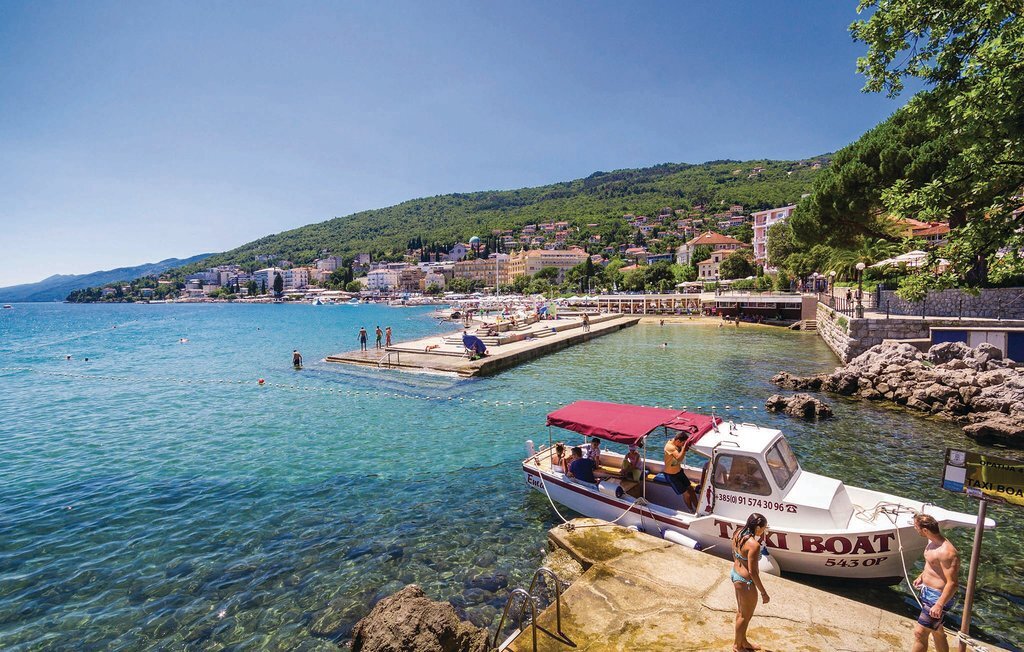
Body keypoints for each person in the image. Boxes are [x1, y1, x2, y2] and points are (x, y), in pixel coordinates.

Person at [911, 513, 960, 652]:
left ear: (925, 530)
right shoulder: (931, 542)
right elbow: (933, 565)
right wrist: (922, 576)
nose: (915, 529)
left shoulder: (947, 552)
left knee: (920, 633)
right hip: (927, 592)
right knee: (937, 631)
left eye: (916, 527)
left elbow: (953, 583)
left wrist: (939, 604)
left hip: (937, 597)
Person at [732, 512, 770, 652]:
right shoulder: (754, 545)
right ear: (758, 527)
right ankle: (737, 646)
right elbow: (753, 572)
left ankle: (743, 641)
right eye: (764, 528)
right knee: (745, 615)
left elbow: (734, 552)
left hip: (735, 574)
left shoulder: (738, 533)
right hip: (745, 581)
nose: (764, 531)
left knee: (742, 612)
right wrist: (763, 592)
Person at [663, 432, 697, 512]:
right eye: (683, 443)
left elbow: (676, 460)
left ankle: (697, 507)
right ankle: (691, 511)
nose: (683, 445)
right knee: (686, 494)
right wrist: (684, 449)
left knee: (691, 489)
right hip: (671, 475)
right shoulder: (670, 447)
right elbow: (679, 458)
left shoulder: (675, 443)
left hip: (679, 472)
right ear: (678, 441)